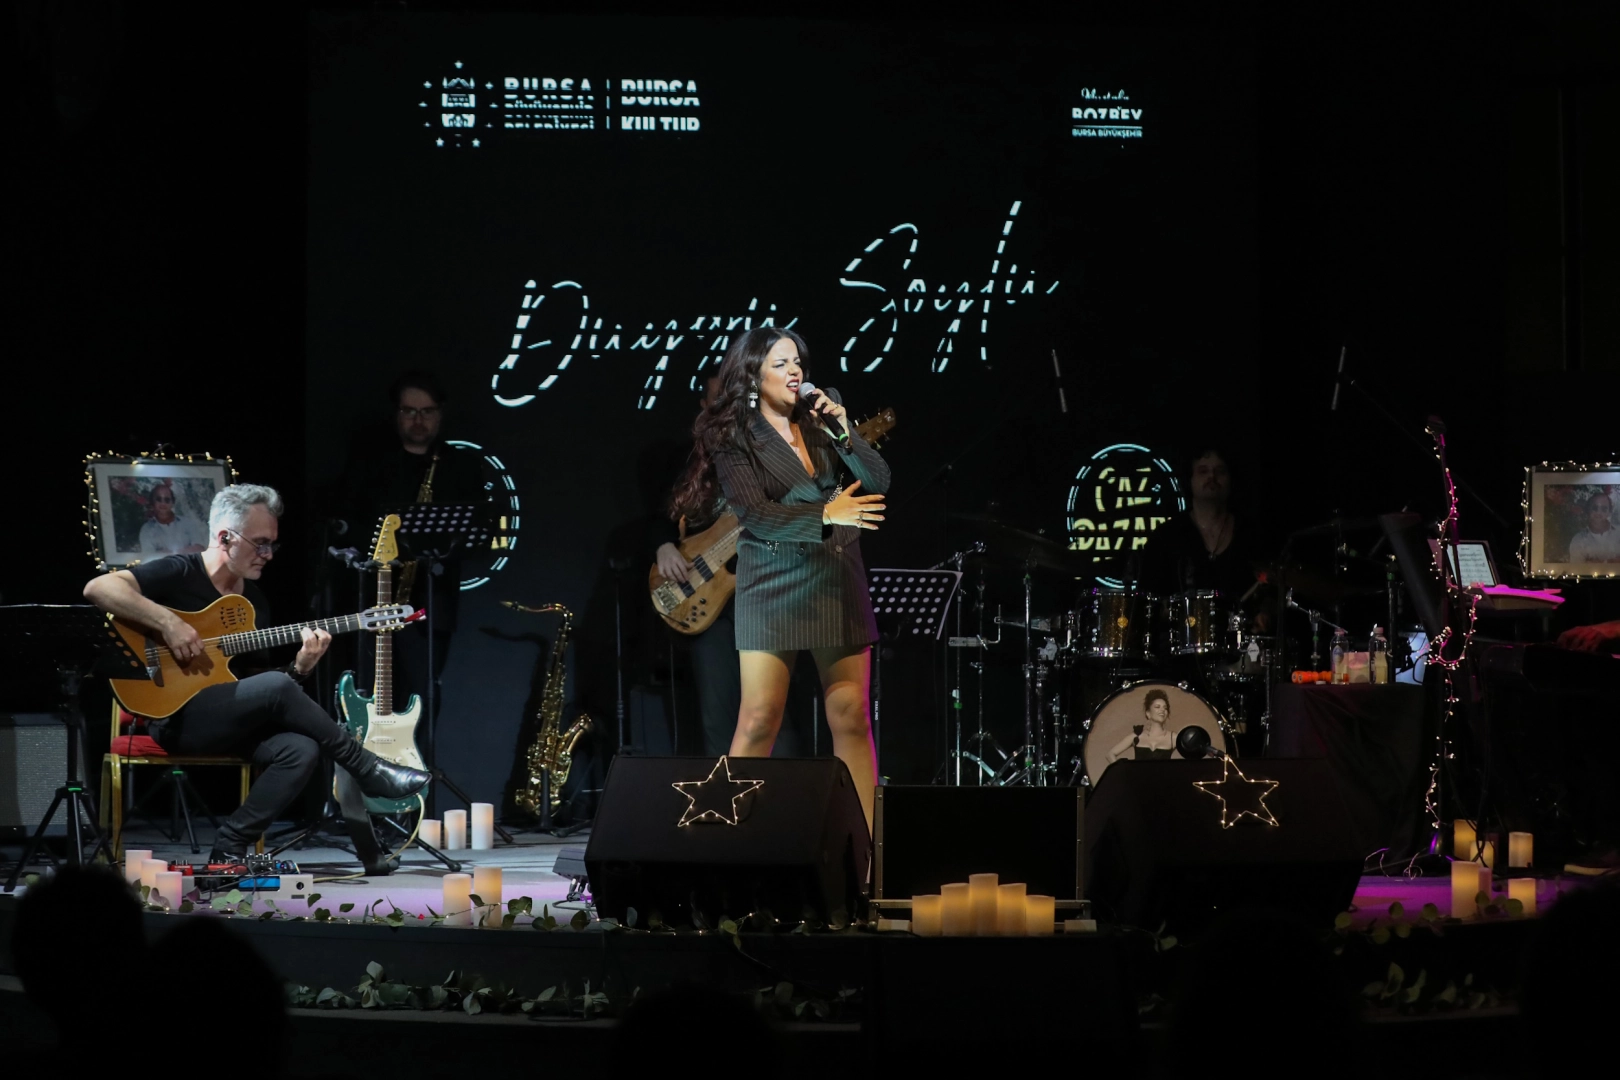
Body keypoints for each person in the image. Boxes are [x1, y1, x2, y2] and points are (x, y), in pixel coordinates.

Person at [82, 483, 430, 862]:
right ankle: (367, 768)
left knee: (301, 750)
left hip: (225, 720)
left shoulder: (253, 602)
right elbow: (99, 588)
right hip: (174, 719)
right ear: (225, 538)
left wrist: (298, 669)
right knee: (278, 690)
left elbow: (255, 685)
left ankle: (229, 847)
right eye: (260, 543)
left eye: (272, 545)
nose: (268, 555)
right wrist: (169, 623)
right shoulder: (180, 571)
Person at [668, 327, 889, 828]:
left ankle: (865, 843)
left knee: (851, 715)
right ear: (753, 375)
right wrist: (827, 512)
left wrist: (843, 430)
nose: (794, 372)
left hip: (834, 574)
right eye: (780, 364)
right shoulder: (732, 434)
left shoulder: (822, 412)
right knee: (759, 718)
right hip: (771, 580)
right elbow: (756, 515)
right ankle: (722, 838)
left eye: (798, 362)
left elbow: (878, 480)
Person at [334, 370, 486, 709]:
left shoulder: (461, 466)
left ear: (440, 414)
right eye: (409, 411)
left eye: (427, 411)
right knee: (369, 694)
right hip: (374, 599)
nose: (418, 420)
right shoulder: (370, 464)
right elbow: (347, 519)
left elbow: (474, 534)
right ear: (396, 413)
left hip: (430, 603)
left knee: (421, 694)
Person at [1139, 447, 1272, 630]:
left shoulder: (1251, 535)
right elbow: (1146, 602)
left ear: (1231, 479)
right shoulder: (1165, 537)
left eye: (1220, 471)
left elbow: (1271, 593)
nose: (1212, 477)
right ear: (1189, 480)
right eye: (1203, 471)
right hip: (1181, 643)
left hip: (1242, 643)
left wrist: (1265, 614)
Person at [1106, 686, 1176, 763]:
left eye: (1165, 708)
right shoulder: (1137, 736)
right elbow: (1110, 754)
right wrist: (1122, 770)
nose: (1162, 710)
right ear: (1148, 713)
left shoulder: (1173, 737)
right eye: (1157, 707)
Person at [138, 482, 207, 555]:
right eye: (159, 499)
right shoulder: (146, 530)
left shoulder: (188, 523)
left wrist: (167, 553)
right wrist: (186, 550)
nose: (163, 503)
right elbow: (149, 556)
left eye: (167, 500)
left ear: (172, 503)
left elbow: (200, 548)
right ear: (152, 502)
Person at [1567, 492, 1620, 563]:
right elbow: (1576, 568)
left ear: (1609, 512)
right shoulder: (1578, 540)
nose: (1598, 512)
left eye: (1604, 509)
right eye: (1595, 508)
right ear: (1588, 510)